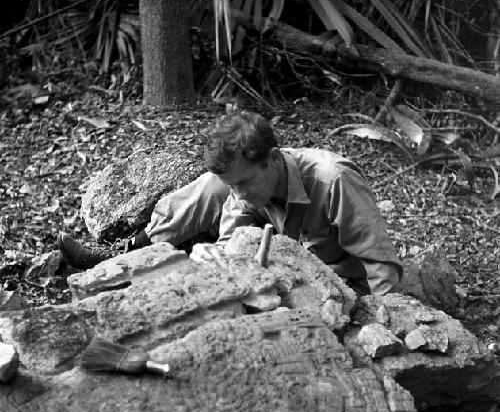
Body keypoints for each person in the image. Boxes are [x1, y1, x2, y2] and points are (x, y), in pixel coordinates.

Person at [59, 111, 402, 295]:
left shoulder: (333, 180)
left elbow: (380, 263)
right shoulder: (249, 186)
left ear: (271, 159)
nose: (237, 195)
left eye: (244, 183)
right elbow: (232, 243)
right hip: (278, 271)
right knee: (211, 187)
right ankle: (132, 254)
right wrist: (215, 256)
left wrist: (388, 323)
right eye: (233, 186)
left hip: (336, 279)